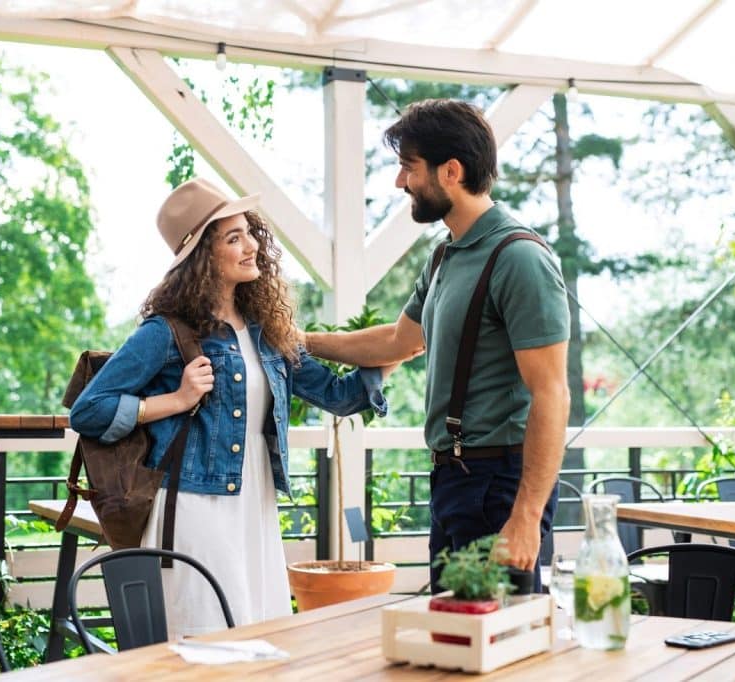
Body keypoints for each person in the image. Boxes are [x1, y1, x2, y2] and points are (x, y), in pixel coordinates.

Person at [69, 178, 387, 635]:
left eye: (249, 232)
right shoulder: (166, 331)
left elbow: (341, 397)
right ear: (202, 256)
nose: (252, 245)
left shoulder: (267, 333)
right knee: (208, 638)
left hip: (256, 505)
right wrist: (176, 400)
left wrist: (403, 346)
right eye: (234, 238)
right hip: (196, 507)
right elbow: (88, 411)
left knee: (259, 636)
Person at [304, 99, 570, 591]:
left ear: (451, 171)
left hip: (500, 484)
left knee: (498, 633)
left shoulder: (520, 258)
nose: (400, 182)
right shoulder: (445, 255)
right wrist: (302, 342)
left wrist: (527, 515)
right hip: (453, 480)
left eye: (409, 167)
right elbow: (399, 341)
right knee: (452, 630)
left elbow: (552, 393)